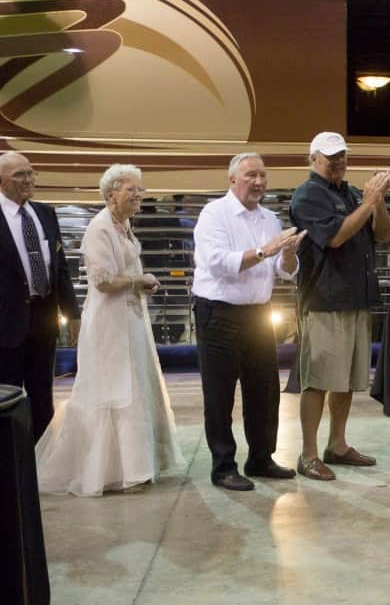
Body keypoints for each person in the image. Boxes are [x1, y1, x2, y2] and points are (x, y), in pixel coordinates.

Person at [35, 165, 184, 495]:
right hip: (109, 322)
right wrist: (138, 280)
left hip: (131, 316)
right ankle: (115, 472)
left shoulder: (125, 224)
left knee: (136, 385)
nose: (138, 195)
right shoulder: (99, 228)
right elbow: (102, 281)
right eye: (131, 189)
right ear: (111, 193)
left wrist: (141, 284)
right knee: (115, 389)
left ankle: (140, 465)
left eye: (140, 189)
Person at [192, 153, 306, 491]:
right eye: (251, 175)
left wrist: (287, 254)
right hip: (219, 314)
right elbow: (218, 263)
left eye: (262, 176)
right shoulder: (214, 214)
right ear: (232, 180)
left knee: (265, 391)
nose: (259, 182)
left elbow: (284, 272)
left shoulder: (270, 218)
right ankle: (223, 466)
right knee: (220, 395)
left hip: (258, 314)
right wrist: (266, 250)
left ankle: (260, 458)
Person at [288, 132, 390, 481]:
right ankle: (308, 454)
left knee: (346, 379)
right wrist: (369, 200)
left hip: (356, 298)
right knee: (318, 380)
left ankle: (337, 444)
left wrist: (376, 203)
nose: (338, 162)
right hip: (324, 302)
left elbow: (382, 235)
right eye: (330, 157)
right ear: (313, 159)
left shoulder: (351, 193)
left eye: (342, 156)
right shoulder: (308, 195)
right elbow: (336, 237)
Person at [0, 151, 80, 441]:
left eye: (31, 172)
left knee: (42, 396)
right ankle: (11, 470)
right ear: (1, 181)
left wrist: (72, 313)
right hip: (6, 323)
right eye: (19, 174)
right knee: (7, 398)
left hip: (43, 318)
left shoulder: (45, 213)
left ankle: (41, 465)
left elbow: (60, 267)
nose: (28, 180)